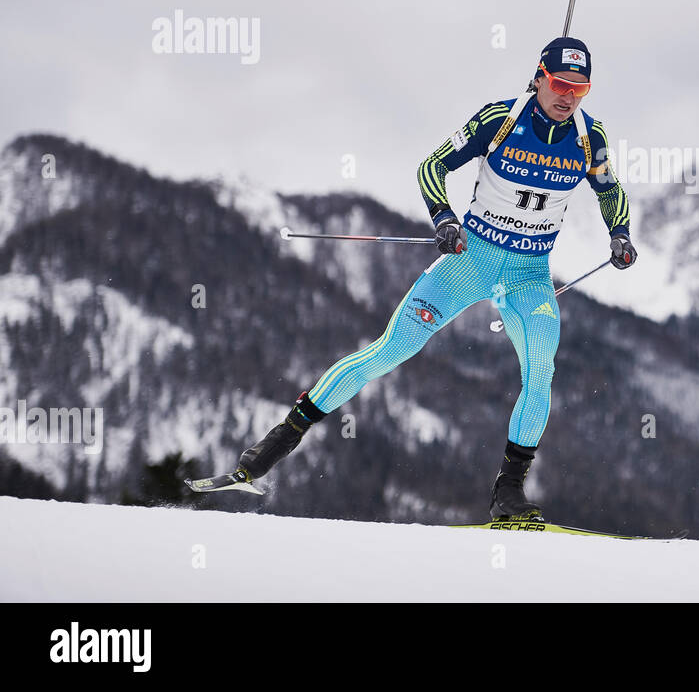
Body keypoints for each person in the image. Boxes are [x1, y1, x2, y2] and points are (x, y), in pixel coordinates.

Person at [235, 36, 635, 519]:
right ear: (539, 77)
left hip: (530, 274)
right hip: (471, 259)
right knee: (389, 351)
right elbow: (431, 166)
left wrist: (621, 233)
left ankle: (508, 492)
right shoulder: (499, 119)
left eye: (580, 87)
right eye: (559, 83)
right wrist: (443, 218)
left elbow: (610, 191)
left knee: (541, 367)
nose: (568, 96)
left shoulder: (590, 137)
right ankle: (279, 440)